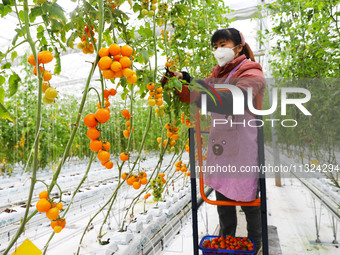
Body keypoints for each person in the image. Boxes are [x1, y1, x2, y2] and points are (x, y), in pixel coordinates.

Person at [174, 28, 266, 254]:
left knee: (247, 199)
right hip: (222, 146)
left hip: (243, 146)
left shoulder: (252, 72)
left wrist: (197, 88)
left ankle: (254, 244)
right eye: (215, 47)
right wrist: (180, 82)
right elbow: (192, 94)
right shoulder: (218, 75)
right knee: (224, 198)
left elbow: (234, 100)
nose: (218, 50)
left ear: (238, 46)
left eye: (223, 44)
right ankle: (227, 243)